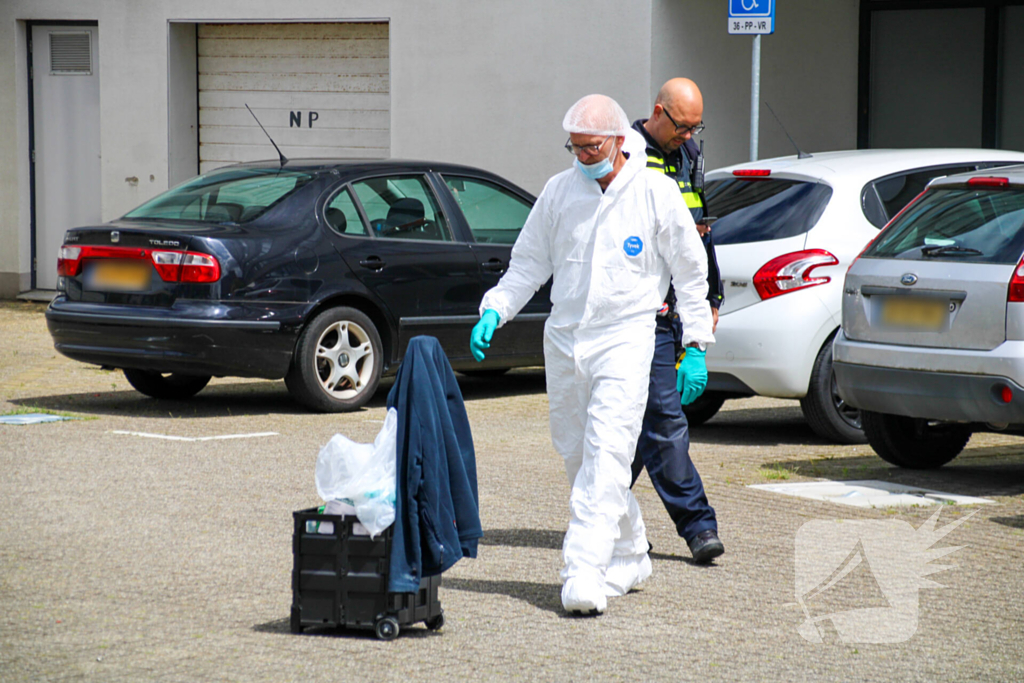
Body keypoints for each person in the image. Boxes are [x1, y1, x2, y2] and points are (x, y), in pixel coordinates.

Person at [469, 94, 714, 615]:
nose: (582, 158)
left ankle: (583, 571)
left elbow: (693, 272)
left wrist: (695, 344)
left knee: (607, 457)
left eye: (591, 148)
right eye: (574, 148)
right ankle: (629, 554)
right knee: (577, 457)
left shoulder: (656, 192)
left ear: (619, 141)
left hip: (626, 338)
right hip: (563, 341)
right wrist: (497, 308)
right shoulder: (560, 192)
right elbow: (528, 262)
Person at [630, 78, 725, 564]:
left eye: (696, 128)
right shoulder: (624, 157)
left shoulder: (687, 157)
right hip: (637, 313)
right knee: (665, 421)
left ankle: (604, 515)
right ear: (658, 112)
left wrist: (712, 296)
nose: (689, 136)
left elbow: (700, 234)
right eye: (682, 126)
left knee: (630, 430)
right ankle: (698, 526)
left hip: (675, 312)